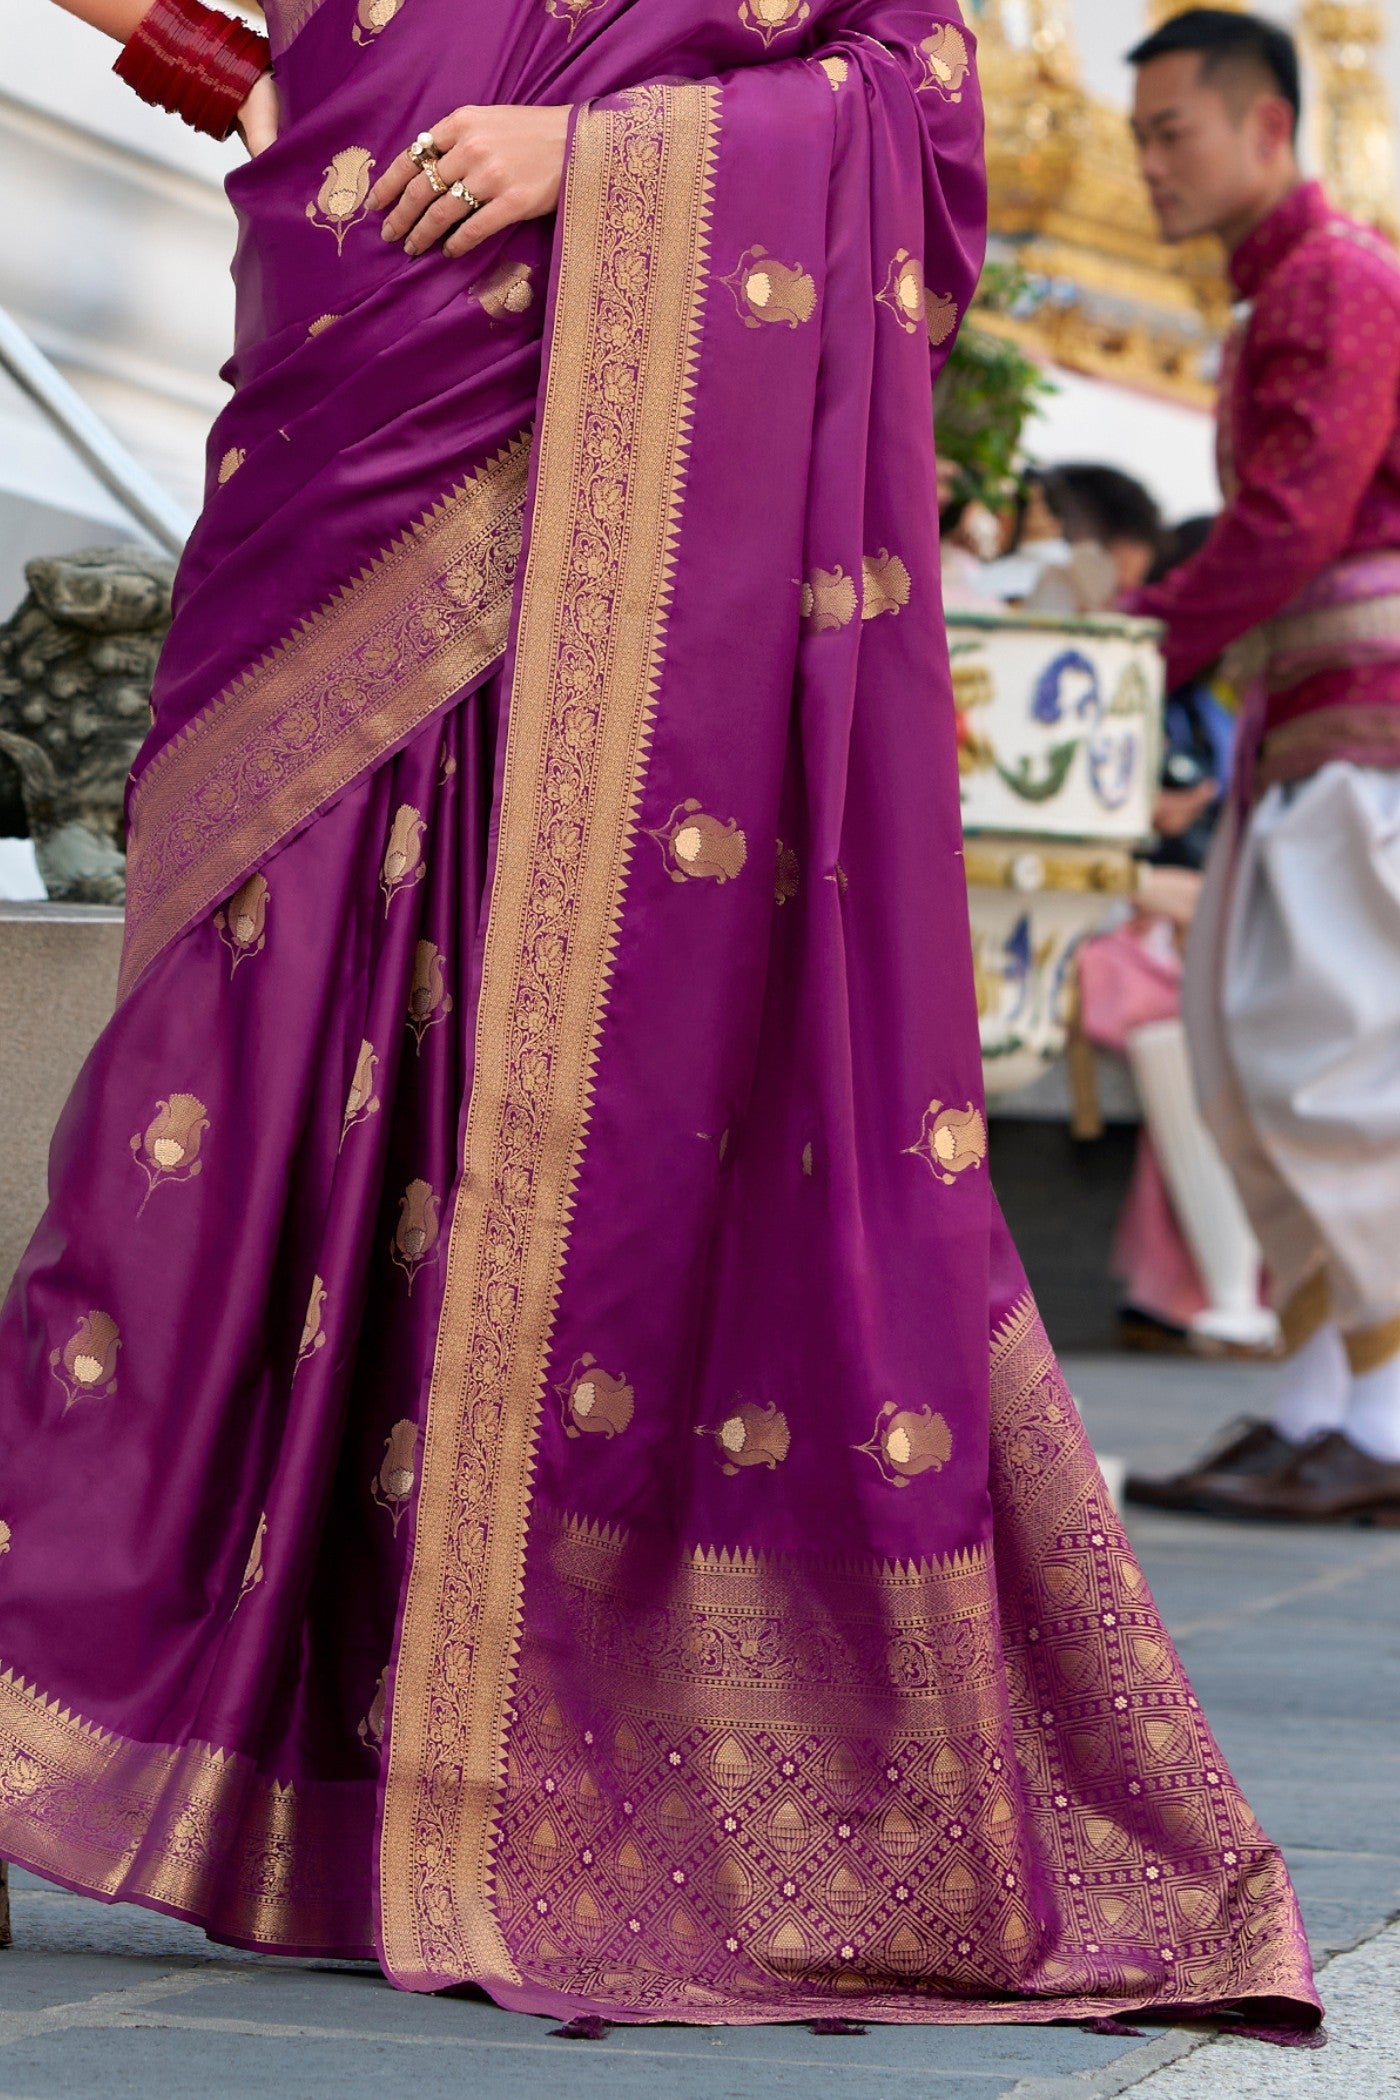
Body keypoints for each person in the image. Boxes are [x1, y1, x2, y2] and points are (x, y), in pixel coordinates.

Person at [0, 0, 1318, 2034]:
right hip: (352, 344)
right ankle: (61, 1693)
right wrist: (212, 59)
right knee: (228, 1060)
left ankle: (480, 1757)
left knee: (559, 1058)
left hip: (587, 365)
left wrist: (597, 165)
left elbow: (918, 92)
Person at [1119, 8, 1400, 1525]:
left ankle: (1391, 1413)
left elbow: (1293, 526)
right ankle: (1323, 1400)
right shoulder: (1283, 291)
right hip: (1299, 715)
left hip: (1369, 717)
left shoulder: (1338, 277)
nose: (1152, 165)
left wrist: (1134, 653)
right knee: (1245, 1071)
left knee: (1331, 1059)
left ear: (1268, 128)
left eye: (1174, 132)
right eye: (1140, 140)